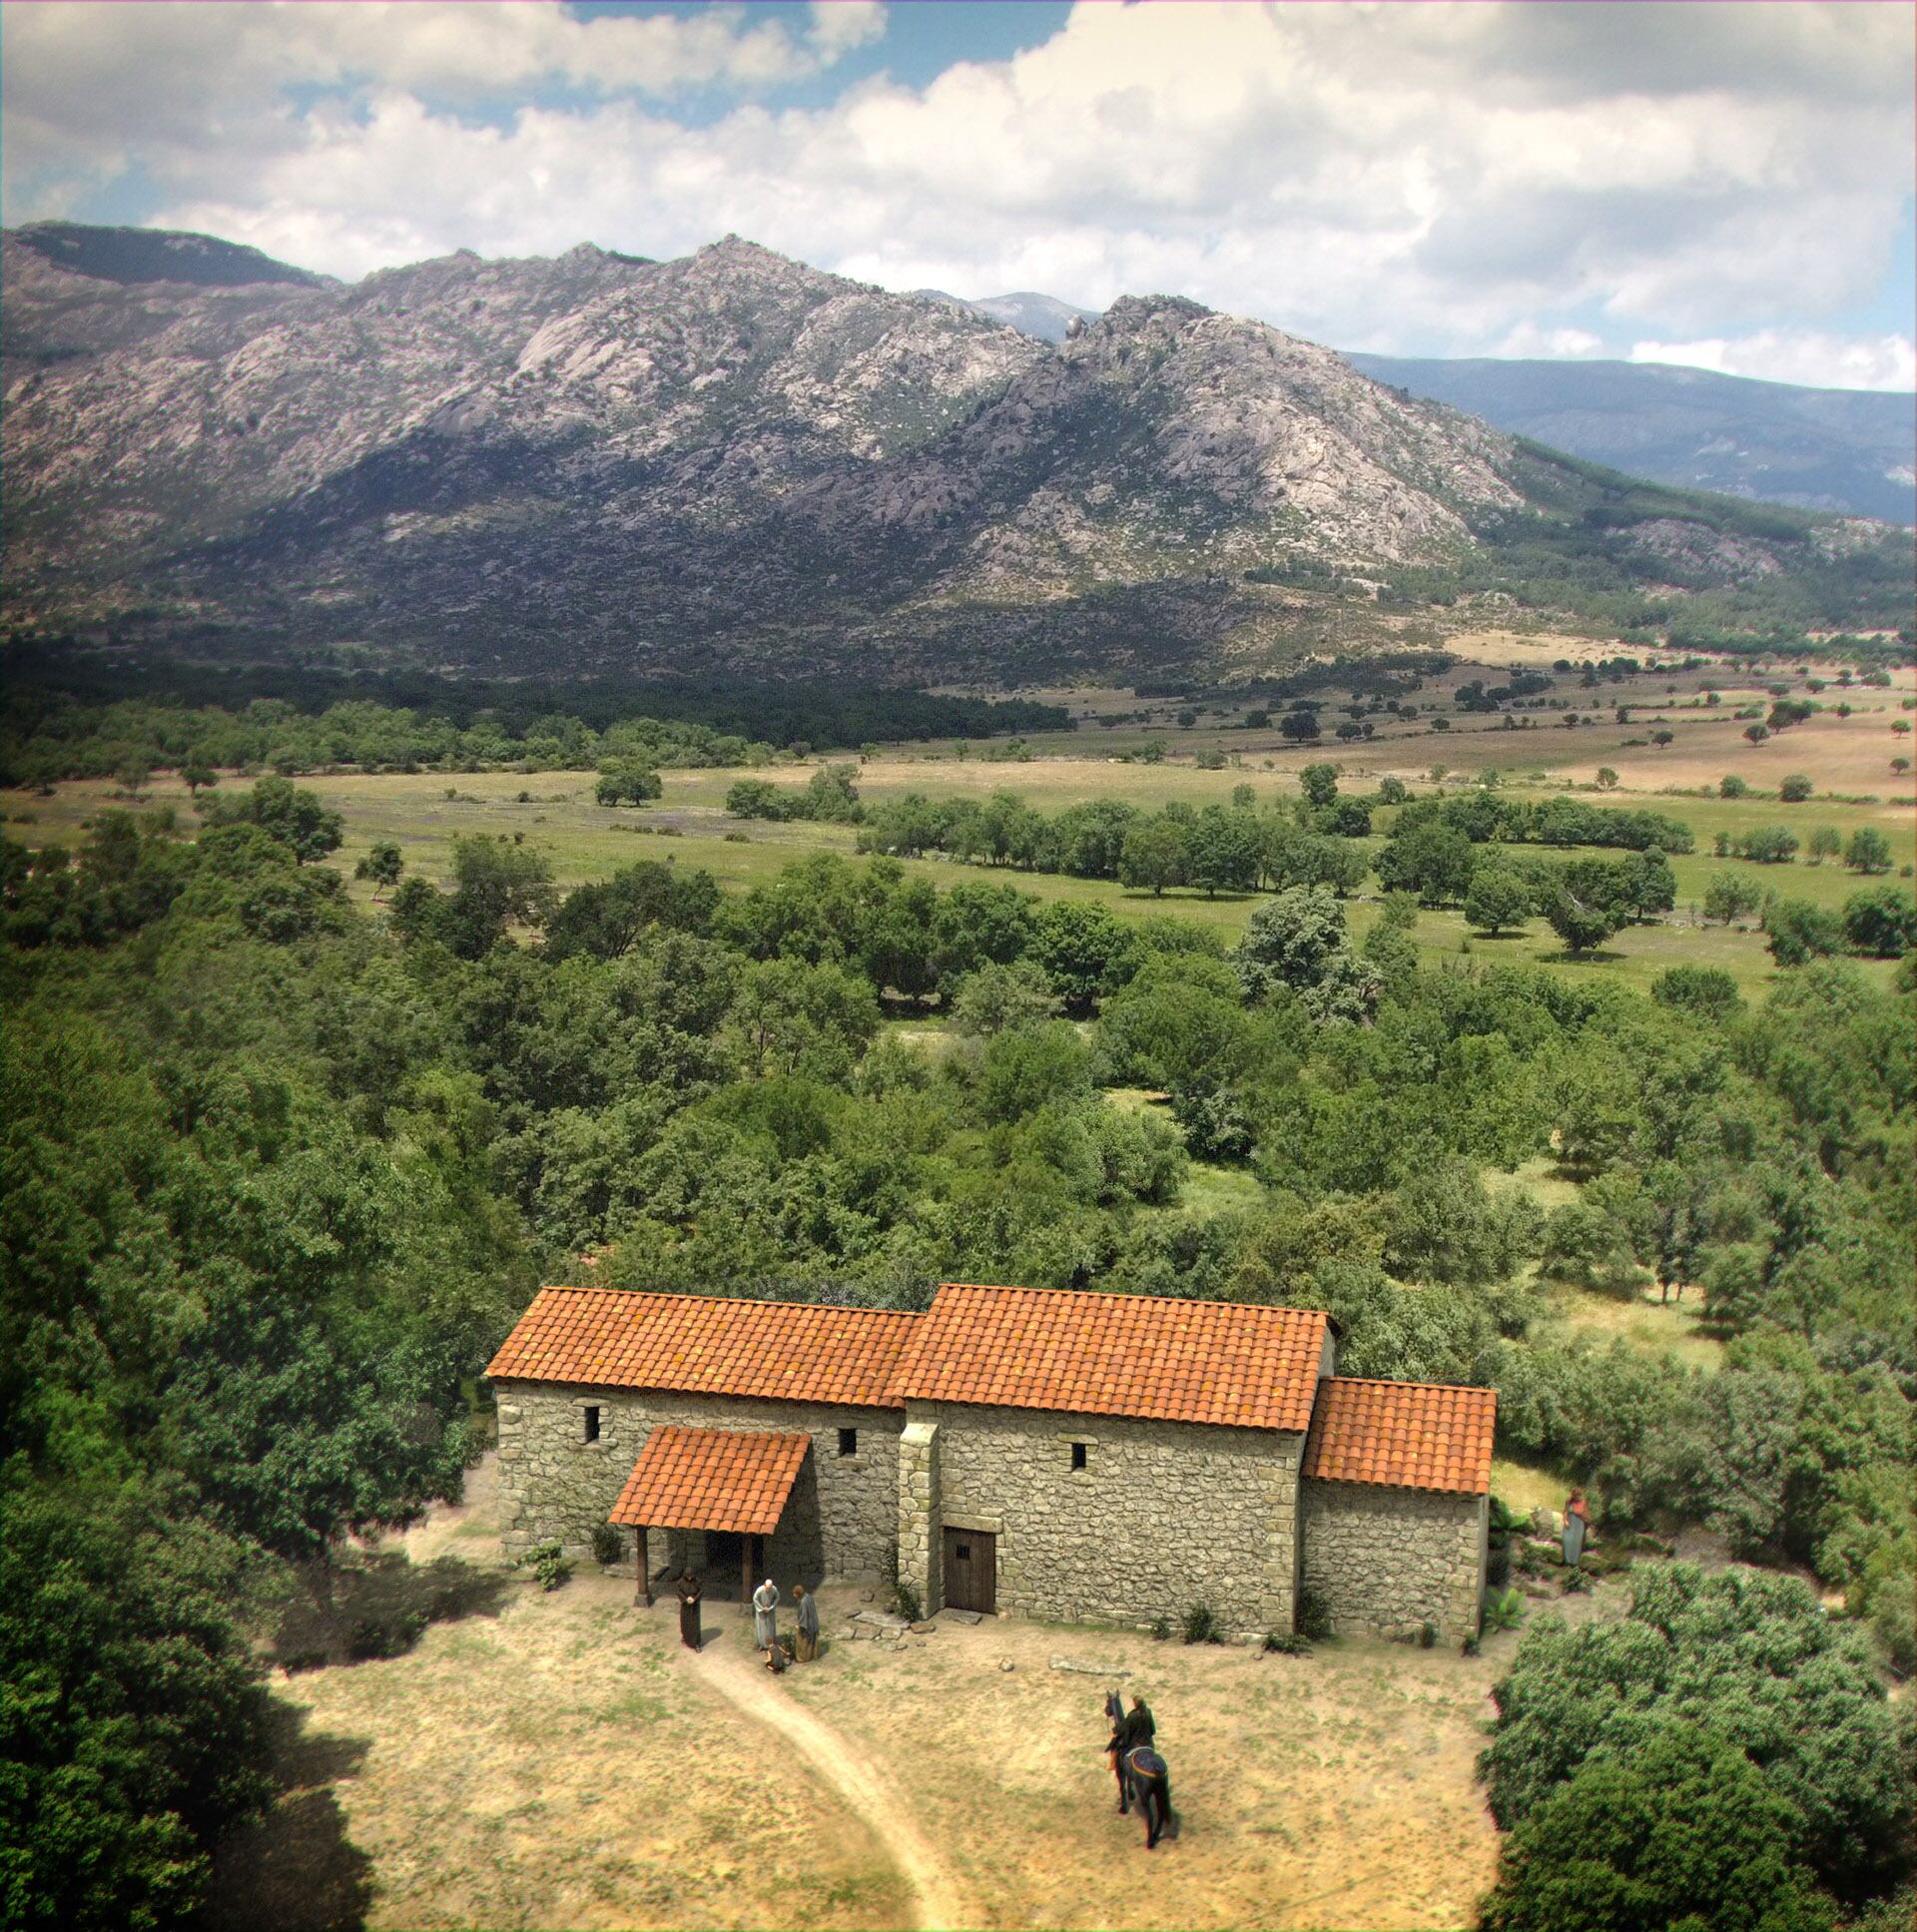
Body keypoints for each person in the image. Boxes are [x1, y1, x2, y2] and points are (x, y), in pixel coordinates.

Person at [752, 1575, 780, 1666]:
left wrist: (771, 1607)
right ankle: (761, 1644)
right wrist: (762, 1608)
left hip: (770, 1612)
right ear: (765, 1586)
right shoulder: (760, 1590)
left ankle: (770, 1645)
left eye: (769, 1589)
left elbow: (777, 1597)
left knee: (770, 1627)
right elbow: (755, 1599)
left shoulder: (774, 1589)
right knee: (762, 1628)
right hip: (761, 1612)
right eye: (767, 1588)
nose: (768, 1590)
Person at [1563, 1487, 1590, 1570]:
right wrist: (1565, 1520)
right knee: (1567, 1540)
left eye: (1578, 1495)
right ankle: (1567, 1562)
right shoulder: (1569, 1501)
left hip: (1579, 1524)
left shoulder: (1583, 1502)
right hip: (1570, 1523)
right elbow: (1565, 1511)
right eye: (1575, 1495)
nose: (1577, 1497)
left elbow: (1585, 1515)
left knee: (1576, 1543)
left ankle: (1574, 1564)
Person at [675, 1568, 702, 1650]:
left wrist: (694, 1598)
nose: (689, 1578)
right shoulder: (680, 1582)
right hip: (685, 1605)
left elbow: (701, 1591)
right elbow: (678, 1591)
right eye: (688, 1576)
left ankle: (696, 1643)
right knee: (685, 1622)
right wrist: (685, 1599)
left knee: (694, 1624)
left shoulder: (697, 1581)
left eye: (691, 1576)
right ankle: (685, 1637)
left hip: (694, 1606)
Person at [793, 1583, 820, 1662]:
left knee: (802, 1639)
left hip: (807, 1624)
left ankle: (803, 1658)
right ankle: (813, 1655)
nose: (794, 1595)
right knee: (813, 1638)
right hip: (813, 1622)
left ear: (798, 1594)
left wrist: (800, 1625)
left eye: (795, 1594)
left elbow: (804, 1615)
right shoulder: (808, 1596)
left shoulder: (803, 1602)